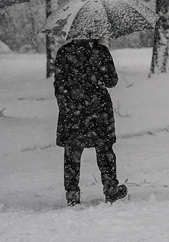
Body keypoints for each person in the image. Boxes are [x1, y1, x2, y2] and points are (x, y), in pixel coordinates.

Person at [53, 39, 127, 206]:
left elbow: (58, 85)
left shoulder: (64, 52)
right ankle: (111, 189)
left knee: (72, 152)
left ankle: (72, 194)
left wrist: (66, 106)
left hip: (72, 110)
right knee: (104, 149)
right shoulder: (100, 51)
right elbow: (112, 81)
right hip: (98, 109)